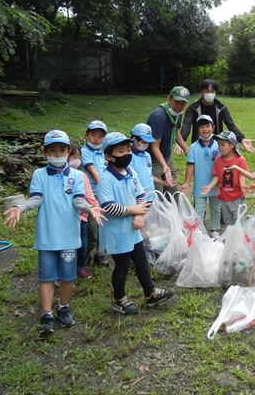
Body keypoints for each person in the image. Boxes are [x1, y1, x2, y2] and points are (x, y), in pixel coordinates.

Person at [4, 130, 106, 334]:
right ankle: (46, 313)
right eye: (53, 150)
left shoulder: (77, 176)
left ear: (69, 151)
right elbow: (36, 199)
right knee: (46, 277)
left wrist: (90, 208)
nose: (57, 154)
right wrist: (19, 208)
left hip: (69, 238)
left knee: (68, 277)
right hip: (47, 237)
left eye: (62, 150)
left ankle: (64, 308)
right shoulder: (39, 175)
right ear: (45, 152)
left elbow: (78, 201)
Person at [97, 131, 176, 315]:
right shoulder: (106, 179)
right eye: (120, 151)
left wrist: (140, 214)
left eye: (127, 150)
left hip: (133, 230)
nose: (126, 154)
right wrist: (133, 210)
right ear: (109, 156)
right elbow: (108, 206)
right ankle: (119, 298)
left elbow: (141, 194)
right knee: (122, 265)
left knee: (141, 261)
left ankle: (150, 293)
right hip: (117, 232)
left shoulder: (130, 172)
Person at [180, 79, 255, 153]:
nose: (210, 94)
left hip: (217, 145)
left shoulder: (221, 107)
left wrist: (241, 139)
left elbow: (230, 124)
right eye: (207, 91)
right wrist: (181, 140)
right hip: (198, 145)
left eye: (212, 92)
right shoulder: (193, 108)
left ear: (215, 92)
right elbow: (186, 124)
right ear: (202, 92)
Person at [182, 115, 221, 237]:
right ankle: (199, 231)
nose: (205, 129)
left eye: (208, 126)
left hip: (215, 184)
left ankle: (215, 230)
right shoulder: (193, 147)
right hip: (200, 185)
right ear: (198, 129)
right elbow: (190, 166)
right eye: (202, 127)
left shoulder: (219, 145)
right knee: (199, 210)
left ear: (213, 127)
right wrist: (187, 183)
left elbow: (223, 165)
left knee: (216, 208)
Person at [146, 86, 191, 195]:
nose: (179, 106)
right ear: (169, 99)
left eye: (182, 103)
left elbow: (176, 132)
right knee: (157, 195)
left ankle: (174, 211)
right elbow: (154, 146)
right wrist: (165, 167)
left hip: (166, 157)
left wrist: (186, 148)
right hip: (153, 160)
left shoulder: (177, 114)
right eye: (177, 102)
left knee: (174, 193)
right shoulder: (158, 116)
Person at [201, 131, 248, 225]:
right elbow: (216, 176)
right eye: (219, 144)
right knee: (229, 224)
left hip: (237, 198)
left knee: (239, 223)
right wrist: (210, 187)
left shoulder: (240, 160)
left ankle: (240, 239)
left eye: (223, 145)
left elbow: (242, 175)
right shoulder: (218, 160)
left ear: (232, 145)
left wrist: (243, 186)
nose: (220, 147)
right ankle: (231, 239)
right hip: (224, 198)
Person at [81, 120, 109, 267]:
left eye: (100, 136)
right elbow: (92, 170)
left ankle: (100, 253)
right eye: (93, 135)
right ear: (87, 136)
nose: (96, 138)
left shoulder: (105, 152)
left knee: (102, 224)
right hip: (90, 195)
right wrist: (105, 185)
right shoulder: (85, 151)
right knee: (91, 227)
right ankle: (87, 254)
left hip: (103, 194)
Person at [68, 144, 97, 280]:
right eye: (73, 157)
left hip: (82, 217)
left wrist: (96, 208)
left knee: (82, 245)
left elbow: (89, 196)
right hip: (65, 218)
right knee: (66, 247)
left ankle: (80, 267)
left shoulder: (82, 175)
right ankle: (64, 270)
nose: (76, 160)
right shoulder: (59, 176)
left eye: (78, 157)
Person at [130, 123, 164, 203]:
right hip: (138, 199)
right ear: (134, 139)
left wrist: (163, 182)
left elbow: (148, 175)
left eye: (147, 142)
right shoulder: (129, 157)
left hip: (150, 197)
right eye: (143, 142)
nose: (146, 144)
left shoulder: (147, 156)